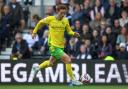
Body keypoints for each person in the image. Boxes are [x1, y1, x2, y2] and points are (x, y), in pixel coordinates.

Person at [31, 4, 83, 85]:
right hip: (53, 46)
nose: (63, 15)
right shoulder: (50, 19)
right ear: (57, 11)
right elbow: (40, 22)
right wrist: (34, 32)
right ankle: (73, 80)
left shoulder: (65, 20)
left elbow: (69, 31)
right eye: (61, 13)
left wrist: (74, 33)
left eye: (64, 13)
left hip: (60, 46)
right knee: (68, 60)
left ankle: (36, 68)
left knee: (51, 64)